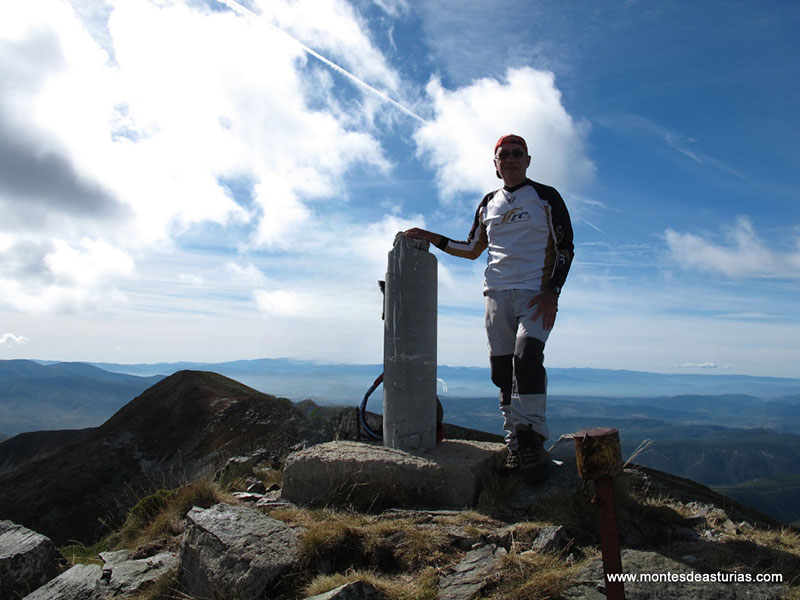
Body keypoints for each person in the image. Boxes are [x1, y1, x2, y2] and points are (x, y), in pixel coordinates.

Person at [405, 134, 574, 483]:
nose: (510, 159)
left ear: (528, 160)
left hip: (535, 294)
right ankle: (515, 444)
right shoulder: (487, 203)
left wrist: (552, 292)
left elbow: (565, 247)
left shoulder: (546, 197)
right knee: (502, 372)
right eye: (503, 155)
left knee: (527, 357)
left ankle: (532, 440)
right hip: (495, 295)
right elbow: (471, 248)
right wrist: (431, 236)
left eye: (517, 154)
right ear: (495, 165)